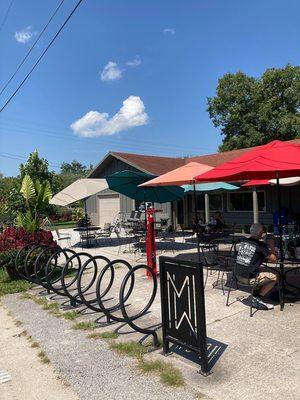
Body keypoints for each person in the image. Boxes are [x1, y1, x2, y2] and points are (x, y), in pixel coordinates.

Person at [236, 223, 278, 310]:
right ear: (260, 233)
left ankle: (255, 294)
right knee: (274, 277)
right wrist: (271, 245)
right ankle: (258, 298)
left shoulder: (244, 241)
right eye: (263, 231)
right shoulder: (260, 245)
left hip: (237, 276)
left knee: (259, 272)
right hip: (249, 279)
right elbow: (274, 259)